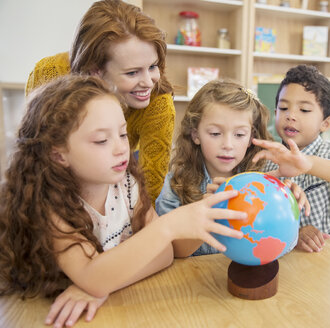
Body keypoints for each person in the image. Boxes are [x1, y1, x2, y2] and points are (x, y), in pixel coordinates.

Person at [0, 75, 247, 328]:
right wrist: (168, 227)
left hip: (114, 309)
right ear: (58, 154)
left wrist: (106, 281)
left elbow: (164, 255)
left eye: (122, 134)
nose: (121, 149)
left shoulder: (127, 184)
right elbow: (91, 276)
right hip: (44, 312)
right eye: (102, 140)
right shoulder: (49, 203)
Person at [25, 0, 175, 205]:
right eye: (132, 72)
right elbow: (34, 154)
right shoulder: (48, 75)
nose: (149, 83)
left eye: (153, 66)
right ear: (94, 71)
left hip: (129, 164)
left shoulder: (158, 103)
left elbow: (149, 191)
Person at [155, 79, 309, 258]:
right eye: (215, 133)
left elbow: (282, 247)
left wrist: (288, 207)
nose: (228, 145)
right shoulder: (175, 184)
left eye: (239, 135)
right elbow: (169, 252)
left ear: (252, 136)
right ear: (195, 134)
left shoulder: (265, 182)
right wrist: (207, 213)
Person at [252, 64, 330, 253]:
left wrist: (310, 163)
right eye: (283, 108)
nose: (290, 116)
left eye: (304, 110)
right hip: (281, 259)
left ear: (326, 123)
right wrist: (296, 233)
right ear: (275, 114)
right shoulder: (267, 159)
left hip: (327, 261)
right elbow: (260, 218)